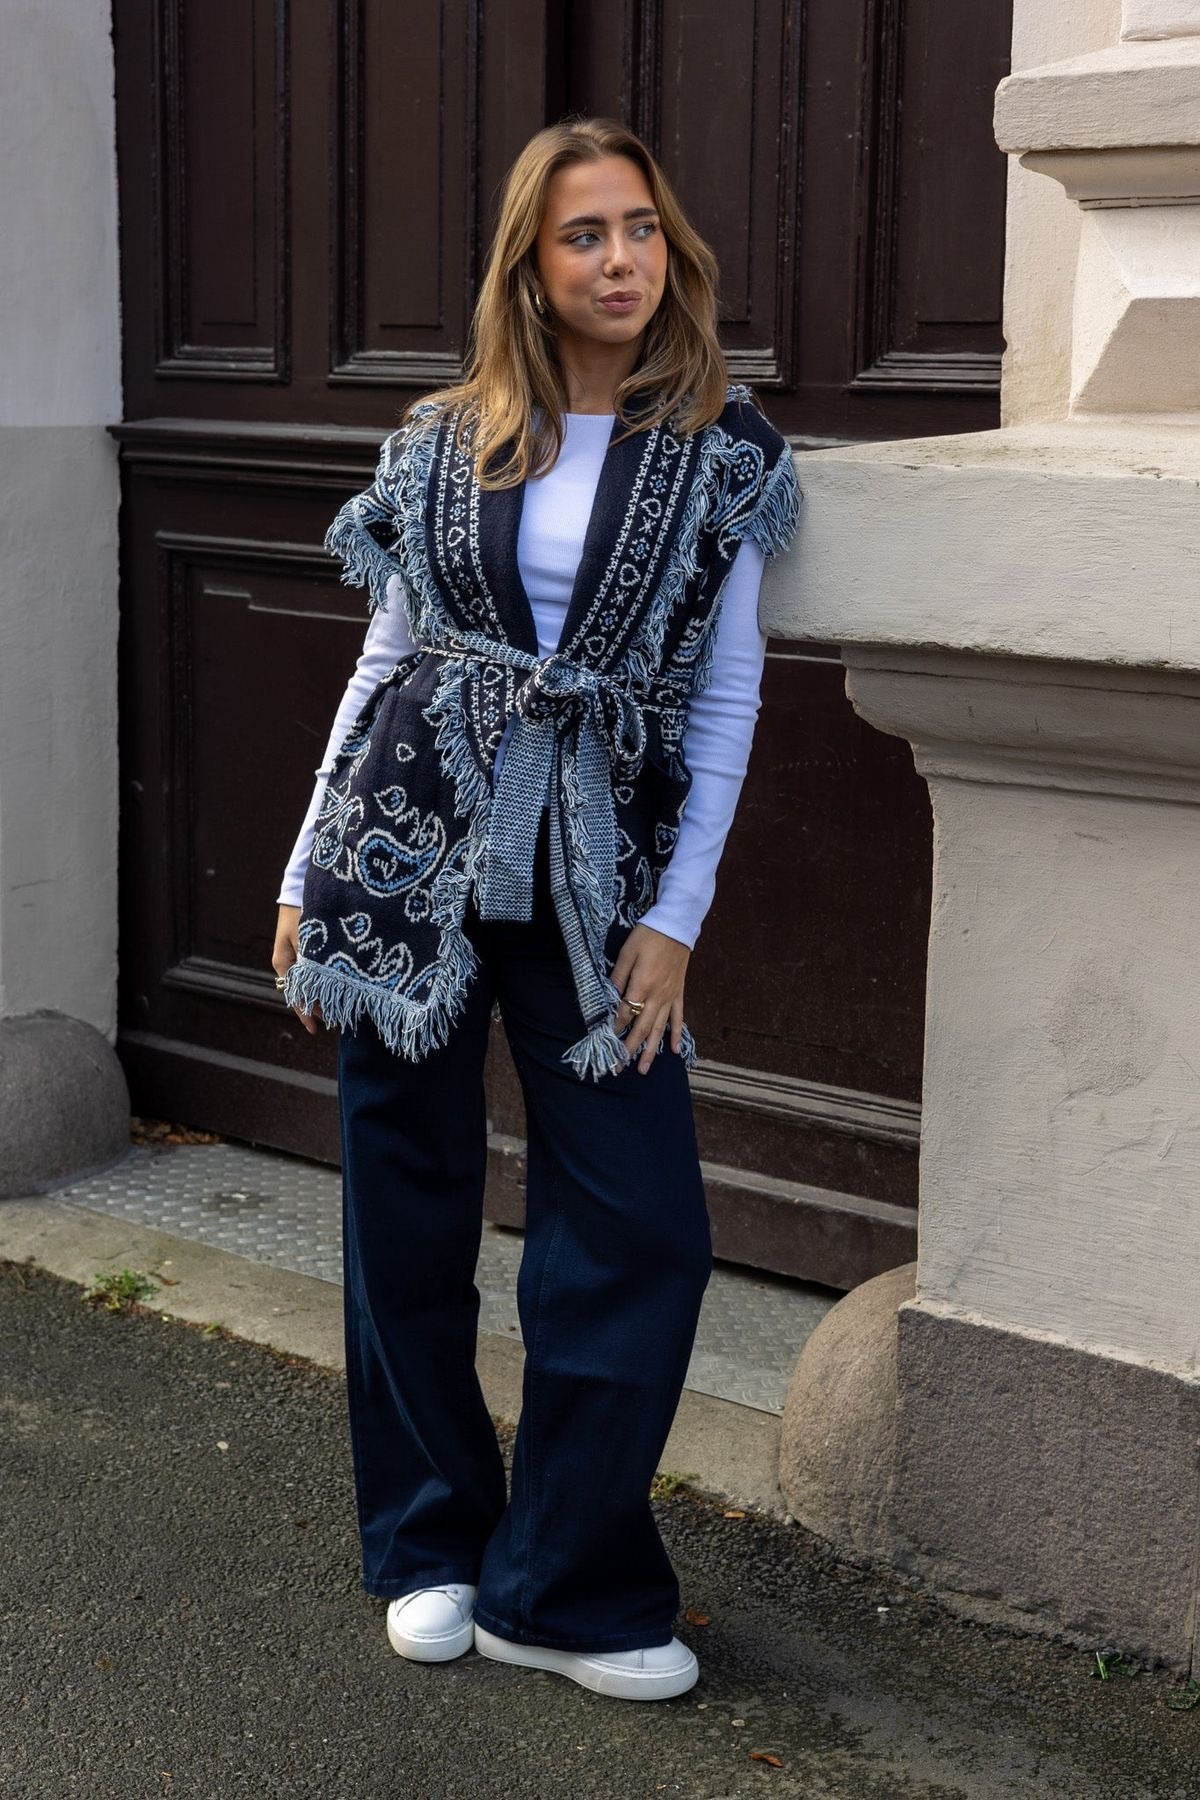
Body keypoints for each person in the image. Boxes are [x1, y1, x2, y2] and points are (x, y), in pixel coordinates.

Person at [272, 116, 801, 1703]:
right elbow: (383, 665)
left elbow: (726, 704)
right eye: (585, 235)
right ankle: (432, 1539)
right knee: (404, 1205)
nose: (621, 259)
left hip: (601, 884)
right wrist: (309, 870)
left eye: (642, 227)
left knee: (641, 1229)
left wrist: (681, 918)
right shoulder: (441, 437)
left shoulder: (725, 449)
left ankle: (561, 1584)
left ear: (673, 246)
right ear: (530, 259)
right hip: (404, 861)